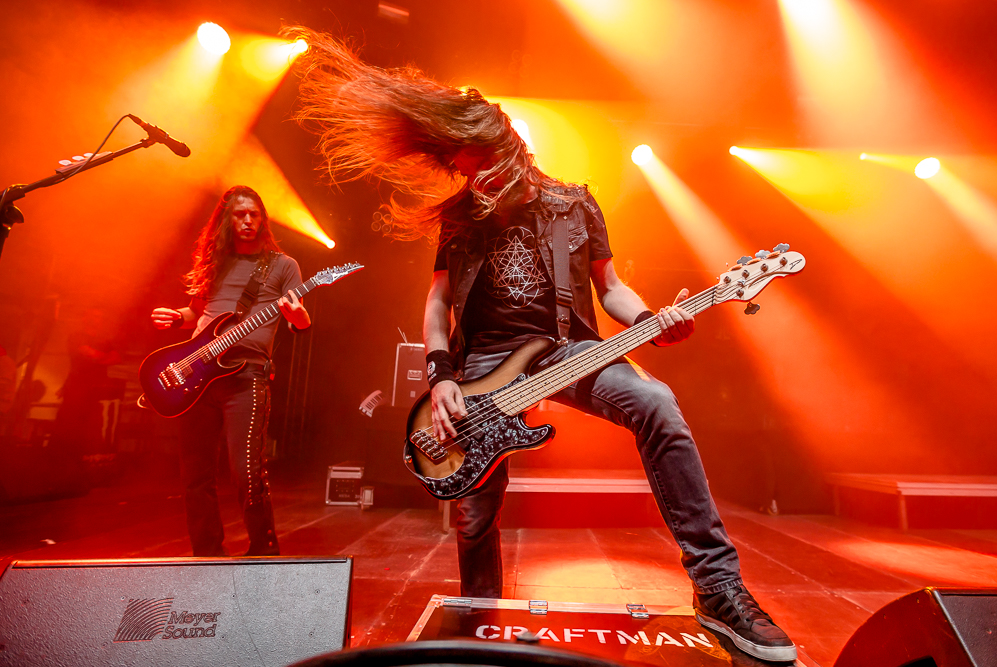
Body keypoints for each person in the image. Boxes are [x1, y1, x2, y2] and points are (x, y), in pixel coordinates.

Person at [286, 29, 795, 662]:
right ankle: (479, 622)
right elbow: (439, 303)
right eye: (463, 171)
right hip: (481, 364)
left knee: (657, 404)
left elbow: (612, 290)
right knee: (474, 510)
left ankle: (718, 588)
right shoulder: (462, 216)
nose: (473, 181)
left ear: (509, 148)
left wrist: (652, 318)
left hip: (566, 351)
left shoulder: (574, 205)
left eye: (479, 167)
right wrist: (441, 377)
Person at [150, 185, 311, 557]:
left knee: (246, 470)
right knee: (196, 474)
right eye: (240, 215)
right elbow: (198, 312)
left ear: (263, 220)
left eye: (255, 214)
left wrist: (300, 317)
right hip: (196, 374)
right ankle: (206, 553)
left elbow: (298, 321)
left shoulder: (283, 265)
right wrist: (176, 317)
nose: (248, 221)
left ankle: (263, 551)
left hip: (246, 375)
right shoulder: (214, 262)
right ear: (226, 220)